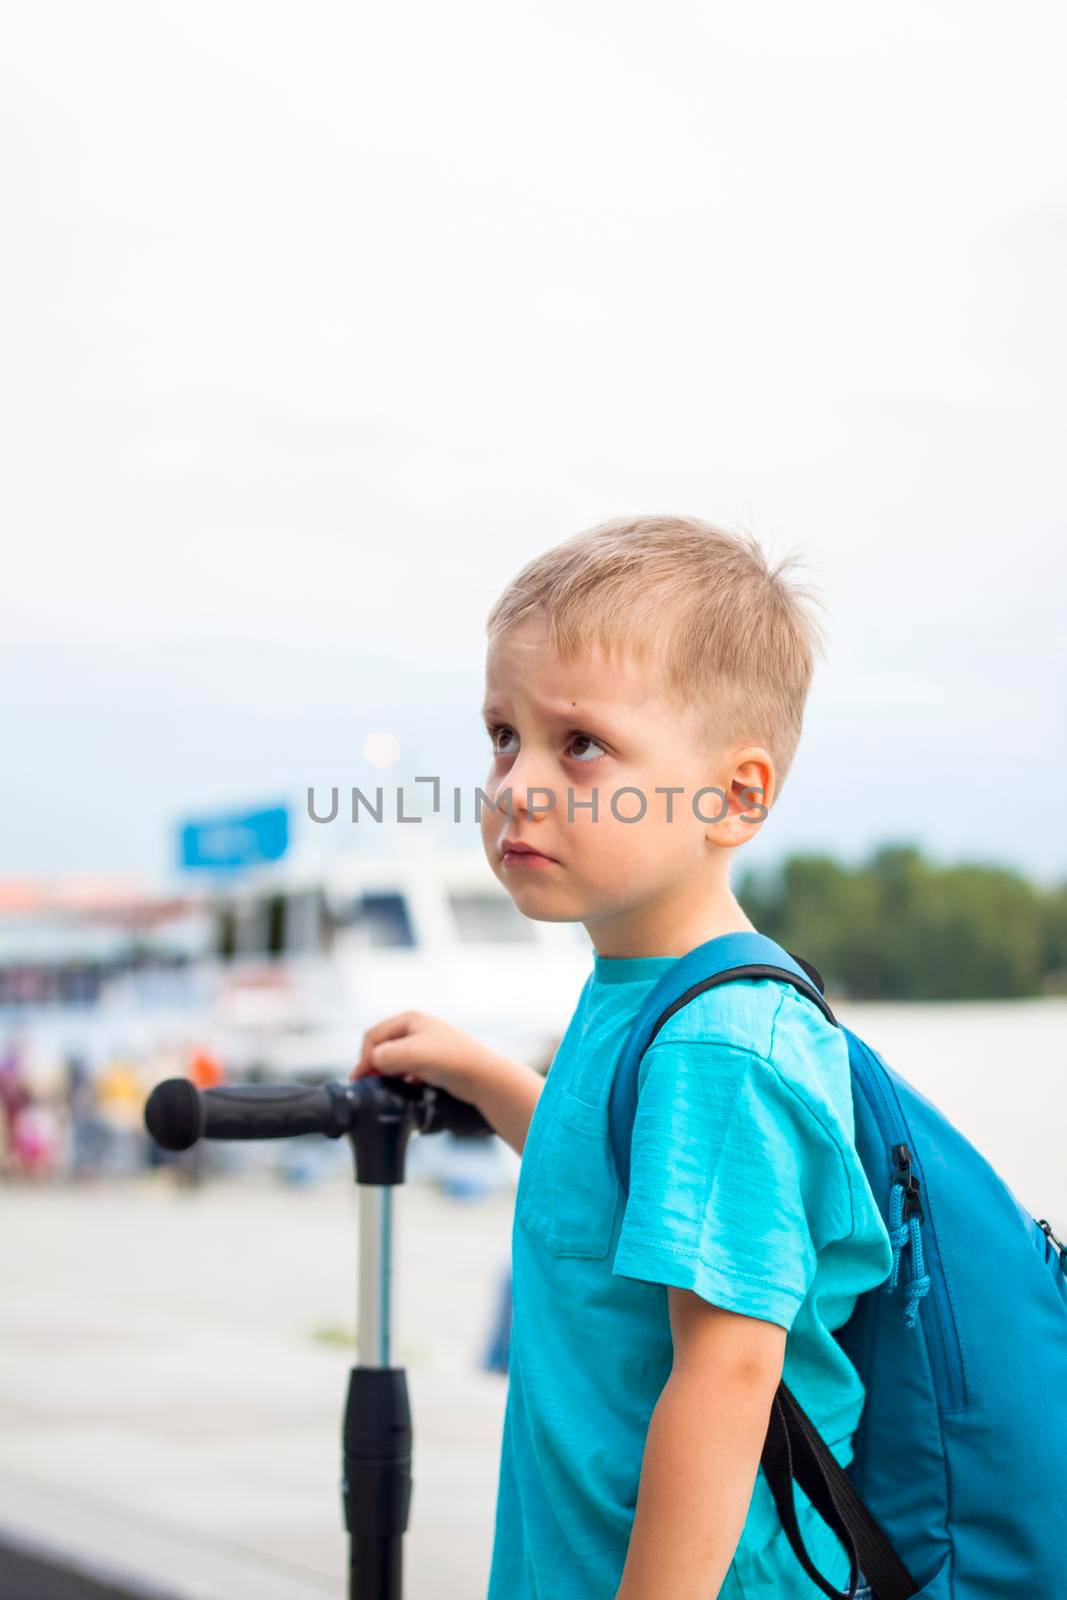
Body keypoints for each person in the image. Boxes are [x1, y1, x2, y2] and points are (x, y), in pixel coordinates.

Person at [351, 515, 891, 1600]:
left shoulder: (719, 1044)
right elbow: (612, 1177)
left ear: (733, 796)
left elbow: (726, 1374)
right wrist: (486, 1075)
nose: (516, 784)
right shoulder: (638, 993)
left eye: (579, 744)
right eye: (503, 735)